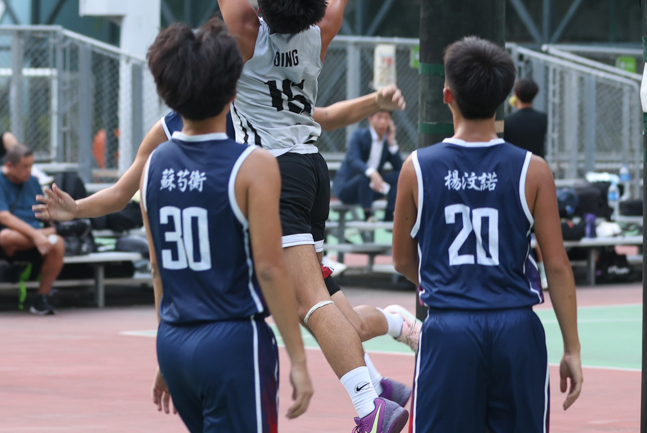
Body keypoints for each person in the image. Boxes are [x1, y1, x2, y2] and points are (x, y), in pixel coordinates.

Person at [35, 84, 421, 403]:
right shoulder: (170, 129)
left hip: (278, 222)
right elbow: (122, 192)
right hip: (241, 244)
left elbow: (327, 115)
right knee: (337, 321)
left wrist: (375, 100)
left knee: (319, 314)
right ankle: (383, 363)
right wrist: (77, 208)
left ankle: (377, 379)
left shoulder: (257, 104)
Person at [211, 0, 406, 431]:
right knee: (323, 296)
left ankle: (369, 408)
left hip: (274, 179)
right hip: (313, 170)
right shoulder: (322, 31)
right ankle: (380, 379)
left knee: (307, 304)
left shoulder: (246, 33)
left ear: (263, 0)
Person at [391, 37, 582, 431]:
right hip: (516, 330)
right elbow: (558, 266)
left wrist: (448, 283)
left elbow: (402, 259)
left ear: (447, 95)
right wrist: (572, 349)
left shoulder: (417, 167)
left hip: (449, 328)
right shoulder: (533, 169)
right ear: (503, 100)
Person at [141, 22, 314, 431]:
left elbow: (157, 269)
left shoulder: (153, 165)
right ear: (234, 92)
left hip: (174, 339)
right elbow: (269, 269)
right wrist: (298, 359)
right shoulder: (253, 165)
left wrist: (165, 350)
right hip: (232, 341)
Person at [0, 144, 63, 315]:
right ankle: (46, 235)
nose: (29, 170)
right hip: (0, 243)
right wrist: (36, 235)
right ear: (9, 165)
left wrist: (50, 216)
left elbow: (40, 211)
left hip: (34, 239)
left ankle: (41, 297)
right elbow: (4, 218)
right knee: (7, 236)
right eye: (25, 166)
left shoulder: (32, 182)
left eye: (31, 165)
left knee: (58, 243)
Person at [333, 111, 403, 222]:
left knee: (399, 177)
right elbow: (353, 159)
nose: (383, 122)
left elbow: (400, 168)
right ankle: (368, 215)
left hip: (371, 188)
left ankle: (389, 215)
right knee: (365, 177)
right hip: (348, 188)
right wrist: (371, 173)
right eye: (379, 117)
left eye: (386, 118)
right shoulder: (359, 136)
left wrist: (392, 142)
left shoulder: (386, 143)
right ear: (370, 119)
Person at [502, 78, 547, 158]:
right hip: (536, 162)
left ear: (516, 95)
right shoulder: (543, 118)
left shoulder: (507, 120)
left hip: (515, 161)